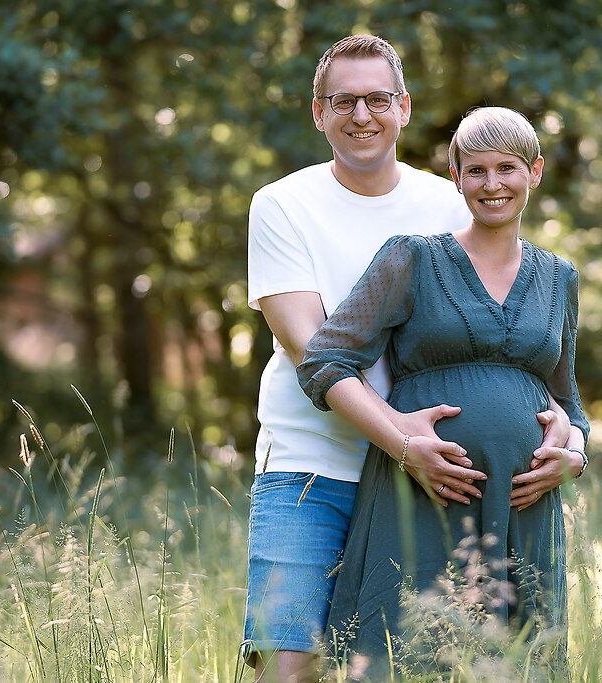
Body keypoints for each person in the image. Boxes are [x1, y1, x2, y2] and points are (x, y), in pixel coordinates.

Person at [244, 35, 579, 682]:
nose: (361, 115)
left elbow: (510, 331)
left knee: (426, 659)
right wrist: (401, 438)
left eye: (377, 99)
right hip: (313, 466)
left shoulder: (450, 200)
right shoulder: (283, 203)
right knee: (290, 664)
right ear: (318, 112)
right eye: (343, 101)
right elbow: (311, 347)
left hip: (436, 481)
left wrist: (566, 434)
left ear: (403, 107)